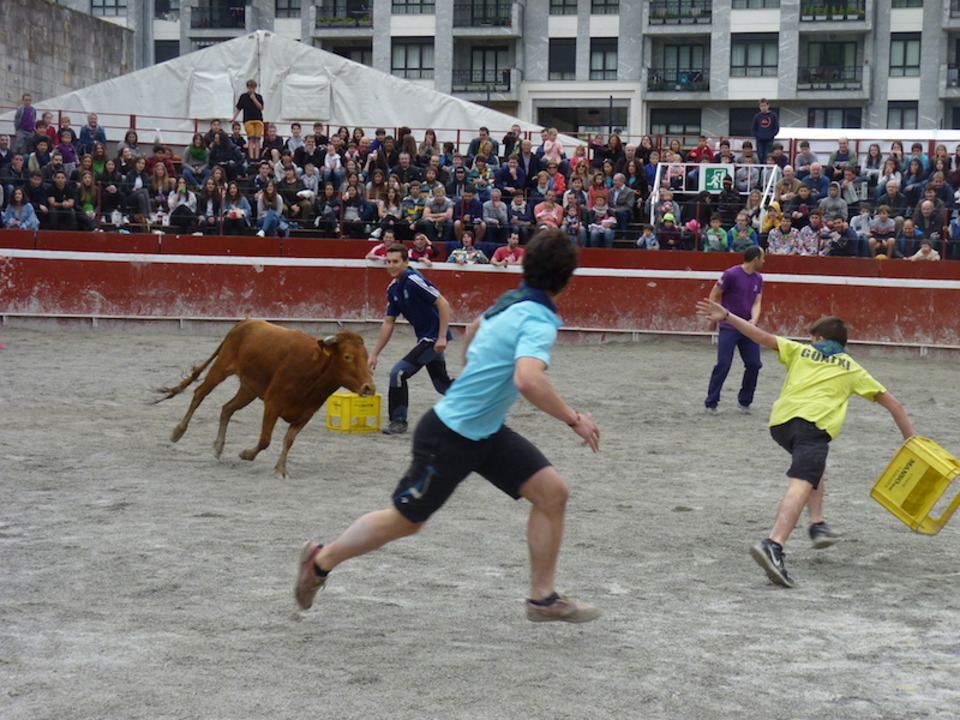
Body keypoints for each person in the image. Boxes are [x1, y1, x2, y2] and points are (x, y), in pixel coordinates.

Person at [295, 228, 601, 623]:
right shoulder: (539, 318)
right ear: (567, 279)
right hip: (449, 435)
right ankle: (319, 562)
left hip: (485, 431)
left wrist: (474, 374)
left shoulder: (512, 301)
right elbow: (528, 379)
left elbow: (473, 328)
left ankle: (543, 599)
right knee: (404, 521)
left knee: (553, 494)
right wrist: (574, 419)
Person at [696, 303, 914, 589]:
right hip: (813, 429)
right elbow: (895, 406)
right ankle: (774, 544)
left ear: (819, 338)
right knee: (800, 484)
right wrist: (912, 442)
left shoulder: (800, 350)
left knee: (812, 470)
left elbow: (759, 335)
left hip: (781, 425)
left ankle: (817, 523)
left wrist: (727, 316)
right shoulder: (853, 369)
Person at [367, 244, 453, 435]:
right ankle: (480, 399)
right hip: (426, 338)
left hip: (432, 338)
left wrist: (441, 337)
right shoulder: (393, 289)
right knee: (442, 384)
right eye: (388, 262)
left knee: (398, 373)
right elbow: (388, 322)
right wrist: (374, 354)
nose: (391, 266)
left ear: (406, 262)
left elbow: (443, 303)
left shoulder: (413, 280)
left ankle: (398, 421)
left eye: (396, 262)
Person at [704, 246, 765, 415]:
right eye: (763, 258)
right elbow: (714, 294)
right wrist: (713, 318)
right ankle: (711, 402)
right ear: (756, 259)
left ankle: (745, 400)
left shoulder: (758, 278)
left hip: (748, 327)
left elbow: (756, 302)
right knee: (723, 364)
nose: (764, 261)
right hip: (729, 326)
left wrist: (754, 320)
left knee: (754, 364)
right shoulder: (731, 274)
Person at [232, 79, 264, 162]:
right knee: (251, 138)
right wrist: (233, 118)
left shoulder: (259, 97)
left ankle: (257, 158)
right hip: (248, 120)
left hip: (258, 119)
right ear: (247, 87)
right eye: (250, 88)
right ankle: (251, 157)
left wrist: (254, 99)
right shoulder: (243, 97)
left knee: (257, 139)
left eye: (253, 88)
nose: (251, 90)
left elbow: (261, 107)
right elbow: (238, 108)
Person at [751, 99, 779, 167]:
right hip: (759, 140)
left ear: (768, 105)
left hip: (769, 140)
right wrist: (758, 136)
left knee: (768, 156)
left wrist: (771, 135)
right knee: (760, 156)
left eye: (764, 105)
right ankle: (761, 170)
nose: (763, 107)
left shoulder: (773, 115)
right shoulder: (757, 116)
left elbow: (776, 128)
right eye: (761, 106)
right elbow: (753, 128)